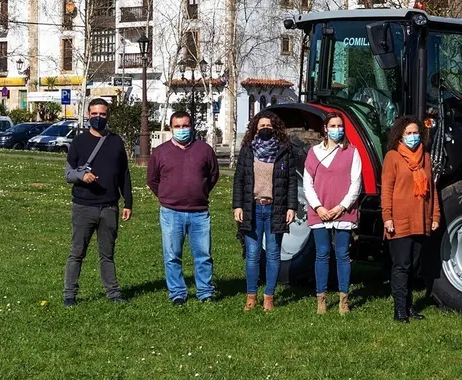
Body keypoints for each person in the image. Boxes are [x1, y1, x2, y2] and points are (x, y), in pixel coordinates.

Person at [63, 98, 133, 307]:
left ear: (108, 116)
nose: (98, 118)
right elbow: (68, 174)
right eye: (94, 114)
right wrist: (81, 177)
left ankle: (113, 294)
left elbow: (124, 174)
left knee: (107, 255)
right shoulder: (79, 141)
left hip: (109, 207)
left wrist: (128, 202)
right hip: (83, 206)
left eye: (102, 114)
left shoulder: (116, 141)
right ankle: (69, 295)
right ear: (88, 115)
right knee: (77, 253)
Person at [146, 111, 220, 306]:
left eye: (185, 126)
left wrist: (199, 192)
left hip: (199, 212)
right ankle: (177, 293)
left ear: (192, 127)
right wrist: (167, 196)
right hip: (171, 212)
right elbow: (152, 180)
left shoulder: (204, 150)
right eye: (177, 127)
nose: (181, 130)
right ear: (171, 129)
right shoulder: (160, 152)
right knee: (172, 256)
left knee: (203, 255)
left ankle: (205, 292)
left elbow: (213, 175)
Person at [233, 111, 297, 311]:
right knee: (252, 254)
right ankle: (251, 296)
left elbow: (292, 182)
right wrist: (237, 206)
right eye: (261, 126)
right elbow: (239, 180)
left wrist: (291, 207)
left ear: (275, 127)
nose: (264, 129)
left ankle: (269, 296)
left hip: (274, 208)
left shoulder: (284, 150)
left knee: (273, 254)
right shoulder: (247, 150)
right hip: (252, 207)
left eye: (268, 125)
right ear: (255, 128)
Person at [380, 116, 440, 323]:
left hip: (420, 218)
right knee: (401, 265)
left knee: (414, 266)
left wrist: (435, 215)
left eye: (416, 133)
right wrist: (387, 217)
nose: (413, 137)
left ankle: (409, 306)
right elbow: (387, 190)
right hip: (399, 219)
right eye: (408, 133)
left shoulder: (425, 157)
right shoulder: (393, 157)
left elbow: (432, 189)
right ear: (400, 136)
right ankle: (400, 310)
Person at [303, 112, 362, 314]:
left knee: (343, 254)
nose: (338, 130)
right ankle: (321, 300)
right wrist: (319, 207)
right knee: (322, 253)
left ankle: (343, 300)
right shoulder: (313, 152)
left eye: (340, 126)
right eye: (333, 126)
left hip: (342, 211)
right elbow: (307, 183)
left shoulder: (352, 152)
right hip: (320, 211)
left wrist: (342, 207)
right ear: (325, 129)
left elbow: (356, 183)